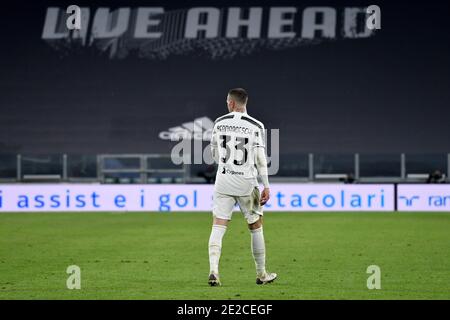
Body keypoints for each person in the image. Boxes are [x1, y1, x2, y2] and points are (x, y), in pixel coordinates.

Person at [207, 88, 277, 286]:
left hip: (223, 181)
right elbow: (261, 159)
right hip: (248, 183)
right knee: (255, 226)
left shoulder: (219, 122)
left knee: (218, 225)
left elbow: (213, 154)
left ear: (231, 103)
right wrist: (267, 186)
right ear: (245, 102)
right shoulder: (256, 125)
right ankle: (262, 274)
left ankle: (214, 270)